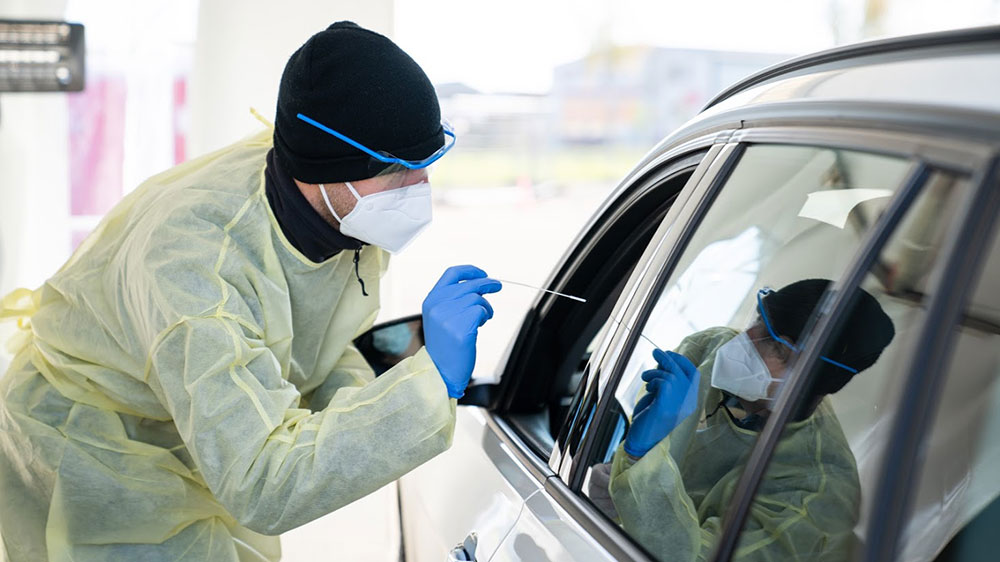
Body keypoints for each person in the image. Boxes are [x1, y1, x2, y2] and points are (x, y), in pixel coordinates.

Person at [0, 21, 501, 561]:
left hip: (203, 439)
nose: (418, 190)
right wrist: (425, 390)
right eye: (399, 172)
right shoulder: (194, 268)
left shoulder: (337, 202)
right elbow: (262, 480)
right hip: (98, 455)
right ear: (328, 169)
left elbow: (321, 354)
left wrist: (394, 382)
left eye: (425, 165)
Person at [592, 279, 894, 561]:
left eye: (776, 346)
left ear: (812, 382)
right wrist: (622, 479)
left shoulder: (815, 493)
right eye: (759, 319)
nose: (746, 340)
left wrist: (642, 462)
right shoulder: (705, 352)